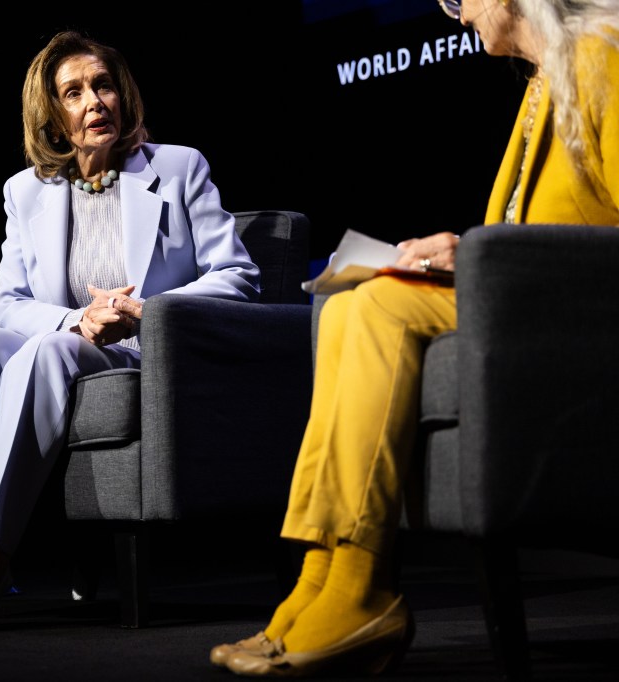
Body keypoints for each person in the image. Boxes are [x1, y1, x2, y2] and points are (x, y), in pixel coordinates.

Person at [210, 0, 619, 677]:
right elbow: (535, 229)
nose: (455, 14)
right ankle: (319, 578)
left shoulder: (603, 60)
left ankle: (360, 590)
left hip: (575, 320)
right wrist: (465, 250)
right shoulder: (544, 85)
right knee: (351, 303)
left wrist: (486, 258)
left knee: (377, 311)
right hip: (522, 307)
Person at [0, 30, 261, 632]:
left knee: (51, 351)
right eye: (74, 92)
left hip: (144, 352)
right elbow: (8, 303)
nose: (95, 102)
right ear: (52, 116)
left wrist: (146, 311)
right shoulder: (25, 190)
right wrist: (75, 320)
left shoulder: (179, 167)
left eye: (103, 85)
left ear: (123, 95)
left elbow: (239, 275)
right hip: (69, 341)